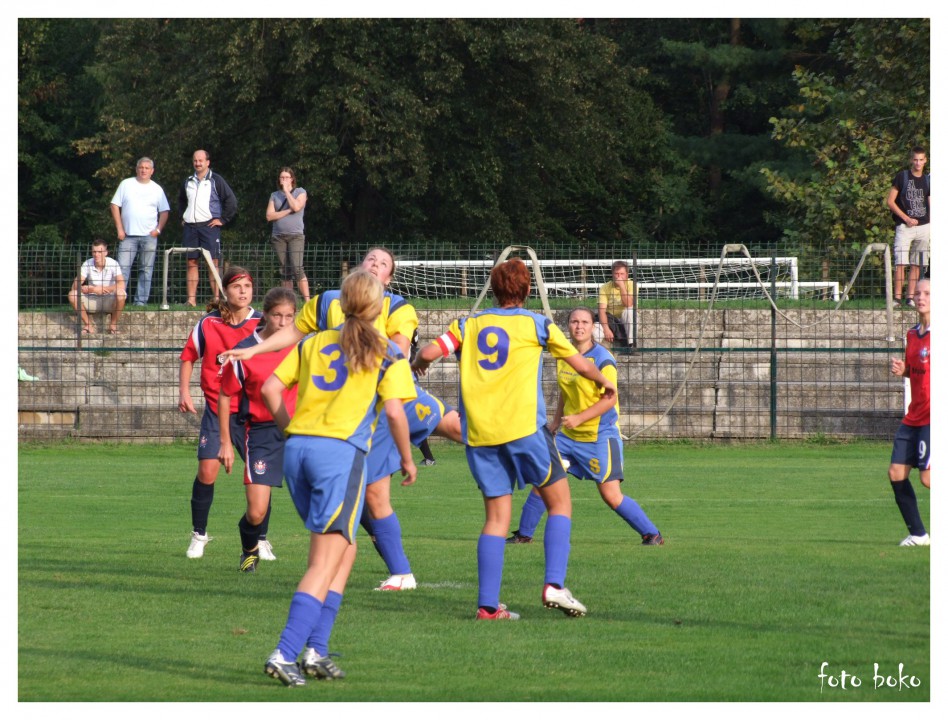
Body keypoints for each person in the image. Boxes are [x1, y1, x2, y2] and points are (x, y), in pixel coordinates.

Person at [223, 247, 455, 591]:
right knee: (367, 499)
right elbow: (294, 333)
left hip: (381, 401)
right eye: (371, 260)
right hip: (346, 414)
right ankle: (394, 573)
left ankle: (525, 452)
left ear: (388, 279)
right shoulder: (327, 302)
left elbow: (401, 350)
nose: (375, 265)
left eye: (383, 264)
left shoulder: (398, 307)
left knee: (457, 430)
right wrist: (254, 349)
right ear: (357, 272)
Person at [412, 257, 617, 620]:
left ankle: (488, 607)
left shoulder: (468, 324)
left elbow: (429, 351)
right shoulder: (538, 324)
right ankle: (554, 584)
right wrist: (604, 383)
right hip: (525, 429)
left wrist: (418, 365)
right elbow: (580, 363)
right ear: (525, 291)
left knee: (495, 518)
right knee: (560, 503)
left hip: (480, 434)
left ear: (493, 290)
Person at [260, 269, 417, 686]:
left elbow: (270, 389)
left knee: (344, 550)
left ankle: (318, 648)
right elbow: (398, 412)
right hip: (340, 455)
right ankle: (286, 652)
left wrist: (289, 430)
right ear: (378, 306)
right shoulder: (387, 352)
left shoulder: (313, 341)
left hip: (298, 451)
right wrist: (408, 458)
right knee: (324, 560)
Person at [508, 307, 664, 546]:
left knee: (611, 496)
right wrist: (556, 421)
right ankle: (523, 535)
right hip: (568, 438)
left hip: (599, 436)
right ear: (568, 326)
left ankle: (652, 534)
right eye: (573, 322)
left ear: (593, 327)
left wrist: (580, 418)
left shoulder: (603, 359)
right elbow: (565, 390)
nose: (579, 326)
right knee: (543, 481)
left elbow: (610, 398)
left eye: (584, 322)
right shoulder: (565, 355)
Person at [178, 267, 262, 559]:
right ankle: (199, 535)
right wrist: (185, 392)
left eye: (248, 286)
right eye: (237, 286)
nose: (243, 291)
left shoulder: (262, 324)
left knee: (257, 478)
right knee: (207, 471)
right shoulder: (208, 324)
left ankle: (260, 539)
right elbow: (189, 356)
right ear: (226, 291)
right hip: (216, 409)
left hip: (251, 411)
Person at [218, 288, 299, 572]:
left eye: (290, 316)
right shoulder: (247, 350)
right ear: (265, 314)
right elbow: (225, 395)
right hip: (262, 432)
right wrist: (225, 442)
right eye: (277, 315)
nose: (283, 322)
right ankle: (249, 550)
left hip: (298, 430)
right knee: (256, 511)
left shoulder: (301, 346)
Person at [888, 278, 930, 546]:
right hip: (914, 415)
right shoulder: (912, 334)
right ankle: (918, 534)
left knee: (928, 478)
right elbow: (914, 371)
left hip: (934, 417)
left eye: (927, 293)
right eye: (917, 293)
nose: (920, 297)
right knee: (896, 473)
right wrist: (902, 369)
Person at [178, 149, 238, 307]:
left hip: (209, 226)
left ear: (207, 162)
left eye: (200, 160)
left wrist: (223, 220)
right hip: (190, 227)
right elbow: (181, 201)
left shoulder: (216, 180)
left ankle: (217, 298)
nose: (197, 163)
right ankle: (191, 300)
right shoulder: (188, 181)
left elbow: (231, 201)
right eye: (195, 160)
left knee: (213, 262)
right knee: (191, 262)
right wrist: (183, 216)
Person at [110, 156, 170, 306]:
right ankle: (119, 300)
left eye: (147, 168)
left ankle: (141, 302)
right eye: (141, 167)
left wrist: (158, 230)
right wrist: (120, 229)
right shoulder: (126, 184)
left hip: (149, 237)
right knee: (122, 270)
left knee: (146, 270)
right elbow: (114, 205)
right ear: (137, 169)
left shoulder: (157, 189)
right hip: (127, 236)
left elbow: (164, 211)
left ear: (152, 171)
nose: (143, 170)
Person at [886, 146, 930, 308]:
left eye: (921, 160)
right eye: (915, 160)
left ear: (925, 161)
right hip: (905, 226)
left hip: (924, 226)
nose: (918, 163)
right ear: (911, 160)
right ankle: (896, 298)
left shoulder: (927, 180)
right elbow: (890, 201)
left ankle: (910, 297)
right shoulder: (902, 177)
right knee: (901, 262)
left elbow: (930, 203)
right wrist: (906, 218)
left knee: (917, 263)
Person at [266, 167, 310, 302]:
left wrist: (286, 191)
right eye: (281, 177)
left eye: (286, 177)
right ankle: (288, 302)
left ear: (292, 179)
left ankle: (308, 301)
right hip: (278, 236)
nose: (284, 180)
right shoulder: (274, 195)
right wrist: (287, 211)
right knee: (285, 270)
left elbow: (297, 207)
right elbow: (269, 216)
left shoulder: (300, 192)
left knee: (297, 268)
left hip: (295, 235)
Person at [67, 239, 127, 335]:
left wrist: (102, 289)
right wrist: (89, 289)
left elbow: (122, 284)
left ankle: (113, 325)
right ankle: (88, 325)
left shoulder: (113, 263)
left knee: (121, 294)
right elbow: (74, 286)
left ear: (106, 253)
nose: (96, 254)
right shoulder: (87, 263)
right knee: (72, 295)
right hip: (92, 299)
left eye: (100, 252)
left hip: (109, 299)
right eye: (94, 252)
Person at [594, 260, 637, 347]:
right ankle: (593, 350)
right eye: (617, 274)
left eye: (622, 274)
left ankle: (631, 345)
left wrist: (622, 286)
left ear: (627, 274)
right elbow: (602, 311)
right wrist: (606, 329)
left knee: (629, 311)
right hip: (610, 320)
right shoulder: (604, 287)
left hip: (626, 318)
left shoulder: (632, 285)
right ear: (612, 274)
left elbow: (628, 304)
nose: (619, 276)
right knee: (594, 330)